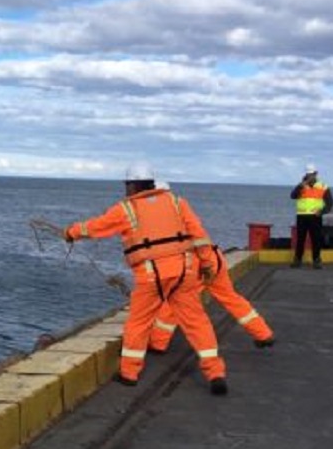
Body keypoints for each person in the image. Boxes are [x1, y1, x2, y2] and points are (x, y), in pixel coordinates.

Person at [64, 161, 229, 395]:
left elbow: (96, 227)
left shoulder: (127, 209)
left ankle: (129, 374)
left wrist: (70, 232)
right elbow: (199, 235)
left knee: (138, 323)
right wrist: (208, 263)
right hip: (184, 272)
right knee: (197, 323)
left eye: (127, 185)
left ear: (132, 185)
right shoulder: (177, 202)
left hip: (151, 276)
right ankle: (215, 372)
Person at [148, 182, 274, 353]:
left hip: (197, 263)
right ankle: (263, 334)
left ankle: (157, 344)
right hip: (214, 258)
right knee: (231, 298)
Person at [290, 164, 332, 268]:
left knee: (316, 239)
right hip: (302, 216)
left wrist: (322, 212)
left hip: (315, 216)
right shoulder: (301, 186)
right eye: (308, 174)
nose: (310, 176)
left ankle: (316, 261)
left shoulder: (323, 186)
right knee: (300, 239)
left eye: (312, 174)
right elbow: (293, 196)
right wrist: (300, 186)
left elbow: (330, 202)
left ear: (316, 174)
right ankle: (297, 260)